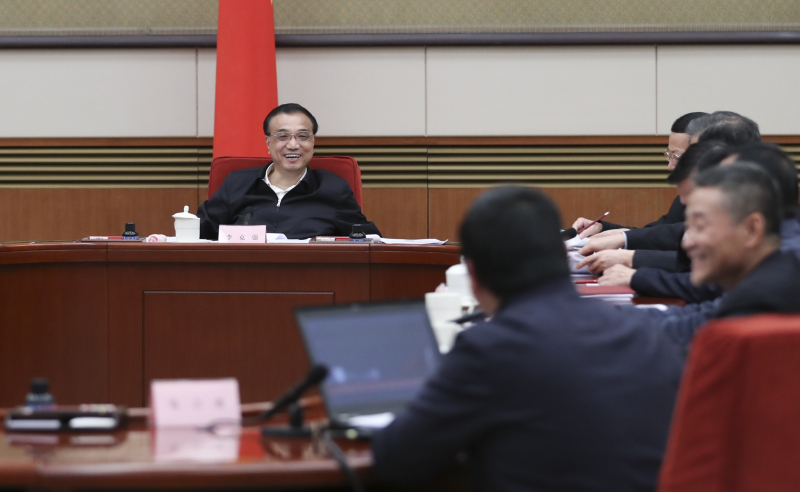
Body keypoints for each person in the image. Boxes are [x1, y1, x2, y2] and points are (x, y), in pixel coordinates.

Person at [372, 187, 684, 492]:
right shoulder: (642, 331)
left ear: (474, 278)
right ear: (563, 257)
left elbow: (398, 460)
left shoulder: (489, 348)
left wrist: (421, 379)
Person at [635, 162, 800, 351]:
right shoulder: (769, 274)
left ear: (752, 229)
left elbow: (682, 334)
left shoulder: (765, 294)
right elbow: (701, 314)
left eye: (701, 226)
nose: (687, 243)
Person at [577, 111, 761, 275]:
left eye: (686, 157)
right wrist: (606, 230)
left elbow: (701, 263)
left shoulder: (755, 203)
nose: (672, 166)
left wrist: (631, 262)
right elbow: (667, 233)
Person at [197, 103, 381, 239]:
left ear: (313, 142)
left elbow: (368, 240)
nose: (293, 145)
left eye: (303, 136)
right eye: (283, 136)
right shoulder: (237, 184)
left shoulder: (333, 189)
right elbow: (198, 233)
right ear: (268, 142)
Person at [572, 112, 707, 238]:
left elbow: (673, 241)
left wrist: (628, 247)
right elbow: (654, 234)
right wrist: (601, 228)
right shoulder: (687, 196)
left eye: (677, 157)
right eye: (669, 155)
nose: (670, 166)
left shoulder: (717, 204)